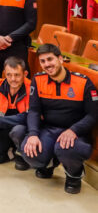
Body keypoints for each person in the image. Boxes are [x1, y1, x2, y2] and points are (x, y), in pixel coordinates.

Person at [20, 44, 98, 194]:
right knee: (28, 151)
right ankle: (49, 163)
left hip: (77, 134)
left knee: (65, 148)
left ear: (61, 59)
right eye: (43, 61)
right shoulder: (38, 80)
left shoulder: (83, 82)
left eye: (50, 59)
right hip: (49, 130)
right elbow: (34, 110)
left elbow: (93, 114)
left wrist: (74, 130)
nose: (47, 64)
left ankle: (74, 175)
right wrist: (33, 134)